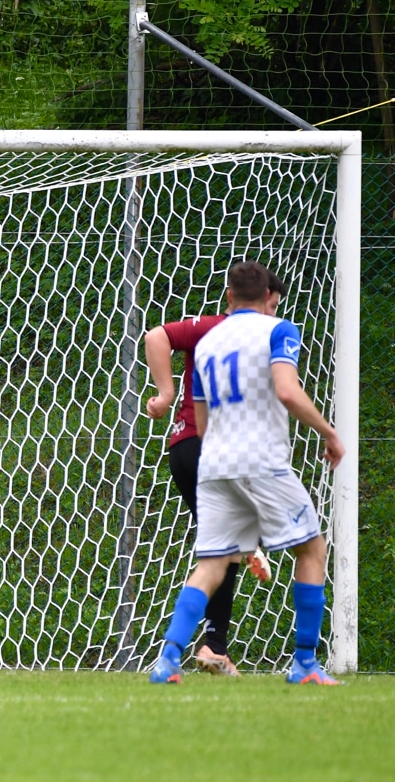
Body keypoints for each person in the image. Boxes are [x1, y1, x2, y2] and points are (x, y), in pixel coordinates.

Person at [148, 261, 345, 685]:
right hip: (260, 459)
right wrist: (329, 432)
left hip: (214, 463)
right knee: (312, 550)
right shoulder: (278, 330)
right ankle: (305, 663)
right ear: (269, 297)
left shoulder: (208, 342)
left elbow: (202, 419)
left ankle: (168, 660)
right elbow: (287, 390)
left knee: (213, 563)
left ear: (230, 296)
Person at [142, 270, 287, 676]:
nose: (272, 313)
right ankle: (199, 646)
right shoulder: (255, 335)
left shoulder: (222, 332)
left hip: (184, 450)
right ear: (260, 299)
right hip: (216, 450)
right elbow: (157, 335)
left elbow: (157, 336)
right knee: (270, 545)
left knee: (220, 554)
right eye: (272, 305)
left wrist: (167, 394)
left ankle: (211, 646)